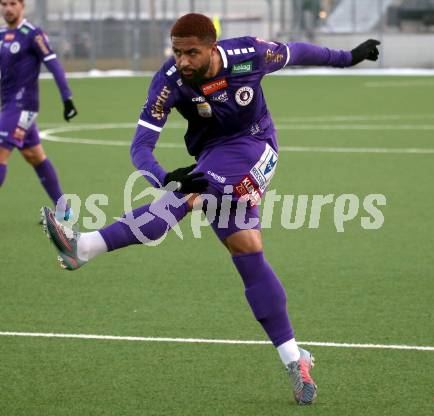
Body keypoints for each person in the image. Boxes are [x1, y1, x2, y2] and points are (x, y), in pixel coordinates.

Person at [41, 13, 380, 405]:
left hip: (256, 146)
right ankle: (294, 358)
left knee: (188, 199)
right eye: (176, 51)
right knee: (247, 251)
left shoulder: (249, 54)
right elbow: (140, 147)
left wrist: (348, 57)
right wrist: (166, 177)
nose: (182, 61)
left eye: (191, 52)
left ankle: (84, 247)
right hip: (212, 157)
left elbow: (298, 52)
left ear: (211, 46)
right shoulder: (168, 82)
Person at [0, 0, 77, 219]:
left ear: (22, 6)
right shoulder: (2, 35)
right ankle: (64, 212)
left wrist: (67, 98)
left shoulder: (33, 34)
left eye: (12, 3)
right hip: (10, 107)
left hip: (22, 106)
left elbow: (54, 65)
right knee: (35, 156)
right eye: (3, 3)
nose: (8, 8)